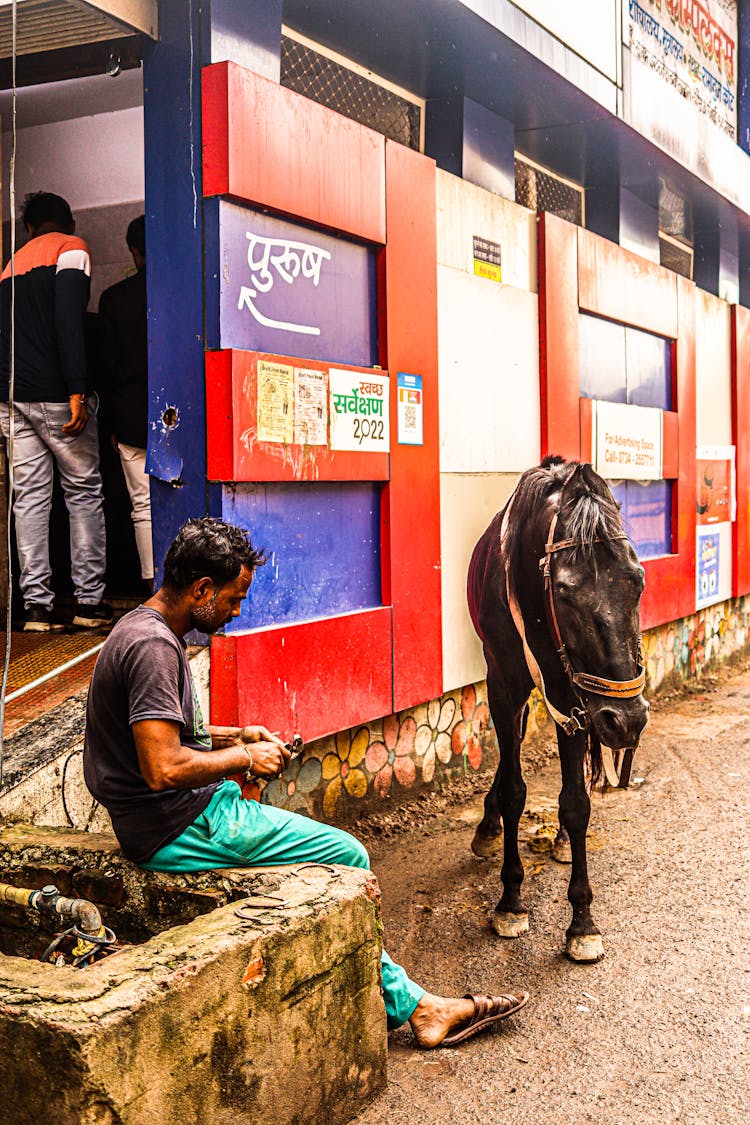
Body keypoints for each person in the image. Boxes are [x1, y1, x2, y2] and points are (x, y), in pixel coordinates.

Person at [83, 517, 529, 1048]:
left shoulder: (143, 628)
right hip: (181, 826)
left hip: (179, 816)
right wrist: (246, 755)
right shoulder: (153, 649)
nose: (237, 610)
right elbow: (162, 767)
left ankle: (416, 1003)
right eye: (233, 597)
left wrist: (232, 736)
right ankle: (416, 1008)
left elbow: (171, 736)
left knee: (328, 856)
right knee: (348, 857)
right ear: (201, 589)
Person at [0, 191, 112, 631]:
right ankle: (89, 604)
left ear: (29, 227)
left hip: (12, 399)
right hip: (56, 395)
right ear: (68, 223)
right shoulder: (72, 248)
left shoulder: (9, 266)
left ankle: (37, 609)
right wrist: (77, 388)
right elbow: (70, 319)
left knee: (29, 501)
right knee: (83, 492)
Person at [97, 215, 153, 594]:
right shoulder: (184, 290)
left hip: (131, 414)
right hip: (184, 412)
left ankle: (153, 584)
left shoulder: (114, 299)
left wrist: (111, 423)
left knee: (142, 506)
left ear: (134, 251)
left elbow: (106, 367)